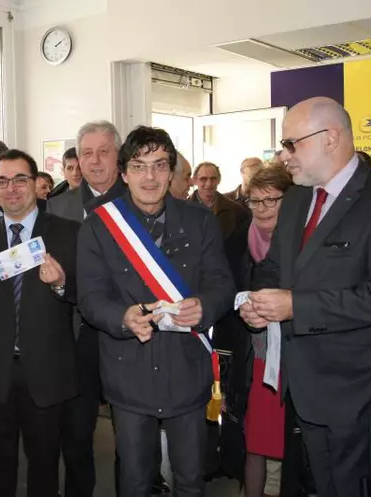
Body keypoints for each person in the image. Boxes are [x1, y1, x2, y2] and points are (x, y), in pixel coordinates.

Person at [239, 97, 371, 497]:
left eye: (293, 144)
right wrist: (257, 301)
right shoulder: (295, 200)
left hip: (361, 389)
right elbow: (274, 267)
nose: (284, 155)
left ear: (330, 138)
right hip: (304, 386)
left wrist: (295, 306)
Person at [77, 125, 235, 497]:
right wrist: (122, 317)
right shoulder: (101, 225)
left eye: (160, 165)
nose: (150, 177)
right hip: (128, 371)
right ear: (124, 171)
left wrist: (206, 305)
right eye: (140, 166)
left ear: (173, 170)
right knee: (134, 481)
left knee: (191, 481)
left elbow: (222, 283)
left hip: (187, 370)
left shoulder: (200, 221)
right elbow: (91, 298)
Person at [0, 149, 79, 497]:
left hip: (47, 370)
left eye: (20, 180)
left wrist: (61, 283)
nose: (11, 188)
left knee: (44, 466)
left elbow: (88, 295)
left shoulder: (69, 233)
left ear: (37, 185)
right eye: (2, 181)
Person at [47, 120, 129, 497]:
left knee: (129, 434)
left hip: (128, 333)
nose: (95, 162)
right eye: (87, 154)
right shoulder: (58, 206)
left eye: (103, 152)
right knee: (77, 435)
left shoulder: (138, 200)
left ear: (118, 154)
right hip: (76, 335)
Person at [219, 165, 293, 497]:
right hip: (253, 359)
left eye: (270, 201)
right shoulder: (238, 239)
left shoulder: (304, 241)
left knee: (293, 443)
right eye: (254, 201)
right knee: (254, 440)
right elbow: (223, 290)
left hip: (293, 361)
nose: (261, 209)